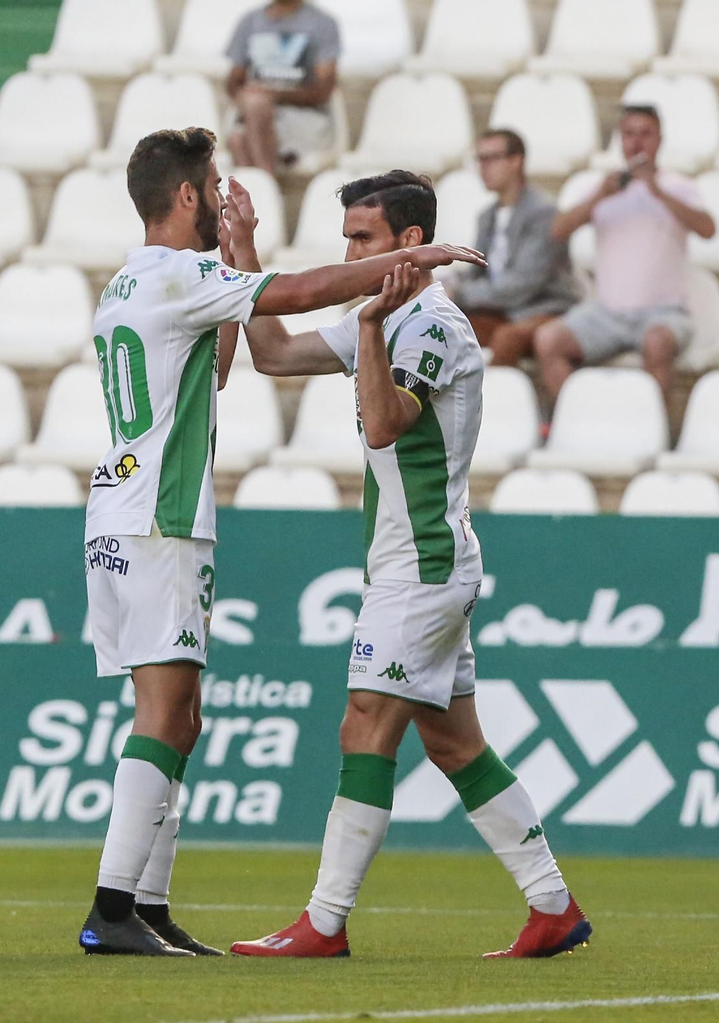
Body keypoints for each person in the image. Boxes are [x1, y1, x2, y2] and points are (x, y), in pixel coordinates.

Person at [76, 133, 487, 960]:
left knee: (178, 716)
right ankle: (113, 907)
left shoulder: (128, 281)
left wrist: (238, 251)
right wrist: (411, 261)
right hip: (160, 520)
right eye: (211, 190)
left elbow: (229, 357)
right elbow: (298, 293)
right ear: (188, 198)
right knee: (164, 714)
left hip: (114, 514)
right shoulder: (176, 274)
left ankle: (148, 905)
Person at [224, 171, 591, 960]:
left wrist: (366, 325)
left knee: (364, 725)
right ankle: (553, 907)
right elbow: (275, 355)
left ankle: (324, 920)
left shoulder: (427, 325)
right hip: (418, 560)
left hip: (421, 566)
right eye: (348, 236)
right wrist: (244, 251)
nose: (350, 250)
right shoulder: (389, 317)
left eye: (363, 237)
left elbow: (386, 425)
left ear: (410, 244)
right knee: (455, 745)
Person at [535, 105, 717, 406]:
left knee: (657, 343)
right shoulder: (605, 187)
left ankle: (653, 430)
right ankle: (580, 418)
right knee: (548, 340)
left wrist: (657, 191)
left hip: (665, 312)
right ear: (620, 139)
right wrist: (598, 197)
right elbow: (558, 230)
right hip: (607, 313)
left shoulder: (677, 186)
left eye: (645, 134)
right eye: (629, 134)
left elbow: (708, 229)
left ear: (659, 140)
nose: (636, 142)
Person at [447, 129, 578, 369]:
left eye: (491, 159)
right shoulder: (487, 217)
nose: (482, 167)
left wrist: (460, 294)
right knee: (437, 325)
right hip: (502, 311)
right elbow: (476, 271)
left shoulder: (543, 213)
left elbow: (521, 285)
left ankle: (496, 404)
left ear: (516, 161)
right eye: (480, 159)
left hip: (545, 310)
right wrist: (444, 286)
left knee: (507, 338)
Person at [224, 0, 339, 174]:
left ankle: (263, 191)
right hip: (258, 115)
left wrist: (271, 96)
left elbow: (323, 91)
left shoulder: (322, 23)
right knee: (238, 136)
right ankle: (266, 192)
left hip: (304, 118)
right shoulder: (249, 21)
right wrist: (254, 99)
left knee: (242, 132)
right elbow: (233, 83)